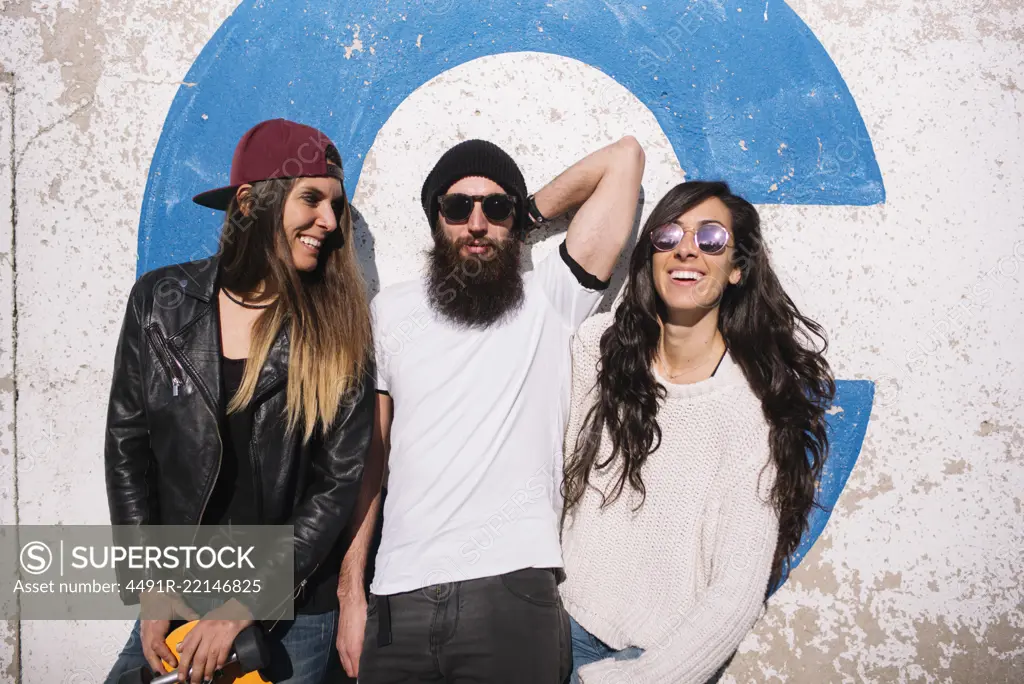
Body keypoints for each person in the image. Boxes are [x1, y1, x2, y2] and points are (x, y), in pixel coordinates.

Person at [334, 137, 646, 683]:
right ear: (436, 219)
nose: (476, 222)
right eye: (457, 208)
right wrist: (351, 593)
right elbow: (371, 464)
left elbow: (625, 159)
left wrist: (528, 212)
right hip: (395, 596)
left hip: (511, 591)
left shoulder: (550, 296)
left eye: (495, 208)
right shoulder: (390, 311)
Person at [103, 118, 375, 684]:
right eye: (311, 199)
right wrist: (150, 586)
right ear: (251, 203)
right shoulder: (161, 303)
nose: (329, 221)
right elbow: (127, 447)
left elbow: (337, 483)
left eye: (335, 205)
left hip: (293, 611)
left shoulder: (338, 331)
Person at [559, 181, 835, 684]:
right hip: (554, 627)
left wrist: (636, 680)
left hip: (654, 660)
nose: (687, 248)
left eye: (711, 238)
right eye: (668, 234)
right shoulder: (598, 350)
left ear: (737, 269)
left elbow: (736, 594)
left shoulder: (754, 409)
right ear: (650, 257)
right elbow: (552, 480)